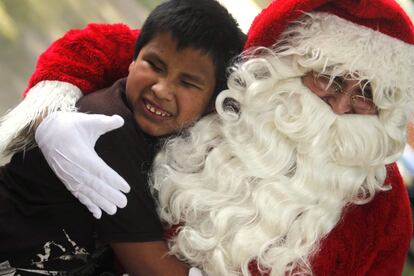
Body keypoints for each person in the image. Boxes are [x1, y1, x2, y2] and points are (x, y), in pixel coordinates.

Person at [1, 0, 413, 275]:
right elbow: (126, 46)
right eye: (328, 78)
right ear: (289, 68)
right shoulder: (241, 93)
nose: (340, 107)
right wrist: (55, 104)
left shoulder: (383, 206)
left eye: (367, 96)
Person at [0, 0, 245, 275]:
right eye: (155, 65)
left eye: (187, 83)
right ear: (131, 60)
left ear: (212, 104)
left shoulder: (166, 139)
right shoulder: (108, 128)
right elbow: (150, 266)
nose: (162, 89)